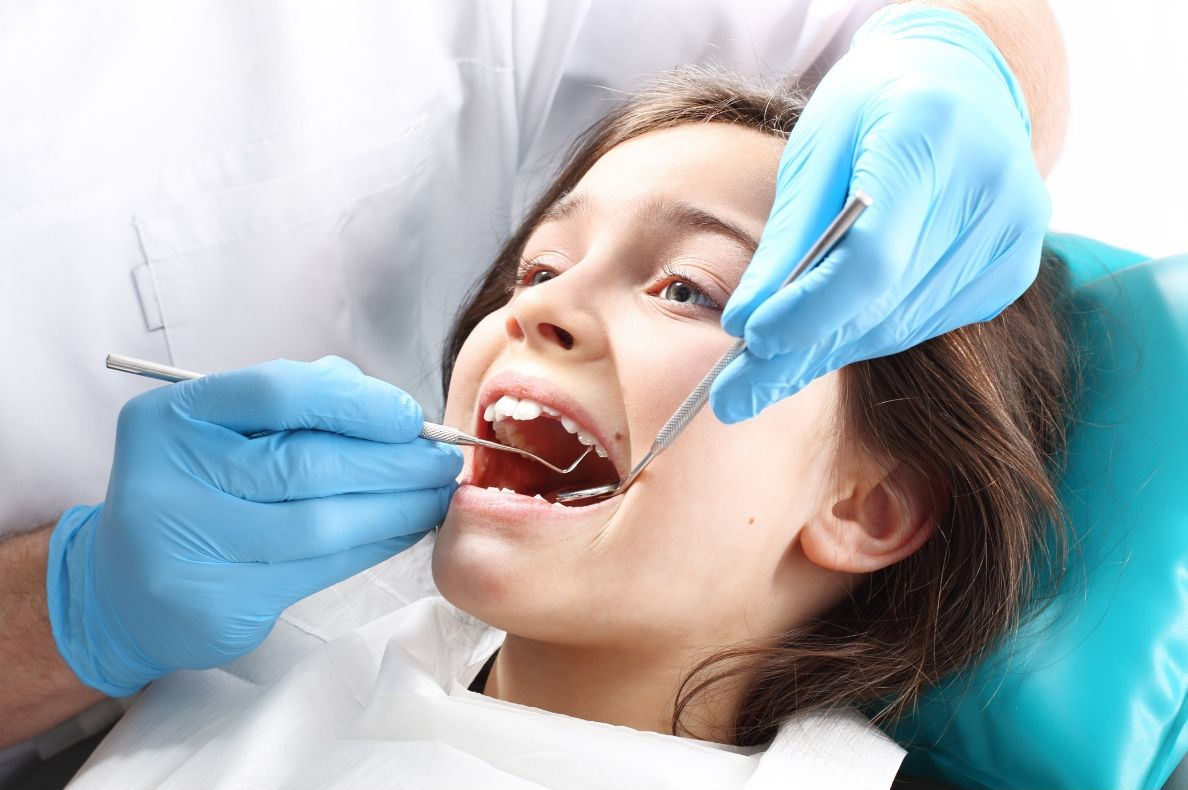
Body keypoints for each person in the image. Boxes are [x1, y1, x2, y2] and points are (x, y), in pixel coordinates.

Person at [0, 0, 1068, 775]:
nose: (529, 311)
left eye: (688, 289)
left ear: (868, 505)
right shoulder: (245, 679)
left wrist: (964, 53)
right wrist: (78, 606)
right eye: (539, 267)